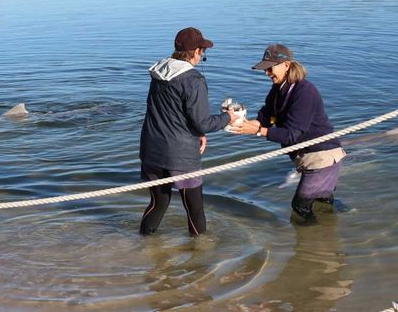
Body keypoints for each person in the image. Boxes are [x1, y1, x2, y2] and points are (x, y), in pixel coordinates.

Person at [139, 27, 237, 236]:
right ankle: (200, 261)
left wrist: (198, 133)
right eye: (203, 51)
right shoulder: (193, 80)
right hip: (181, 157)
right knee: (194, 210)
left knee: (158, 204)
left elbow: (171, 113)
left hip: (151, 151)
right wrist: (229, 117)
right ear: (195, 51)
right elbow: (203, 123)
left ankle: (144, 244)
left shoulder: (159, 73)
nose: (202, 56)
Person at [231, 44, 346, 222]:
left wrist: (259, 131)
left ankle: (312, 248)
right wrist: (246, 124)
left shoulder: (305, 92)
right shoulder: (277, 89)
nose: (267, 72)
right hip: (308, 157)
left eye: (270, 68)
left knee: (300, 207)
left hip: (322, 156)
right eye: (265, 69)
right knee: (322, 201)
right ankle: (337, 228)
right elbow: (266, 115)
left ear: (286, 65)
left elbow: (292, 135)